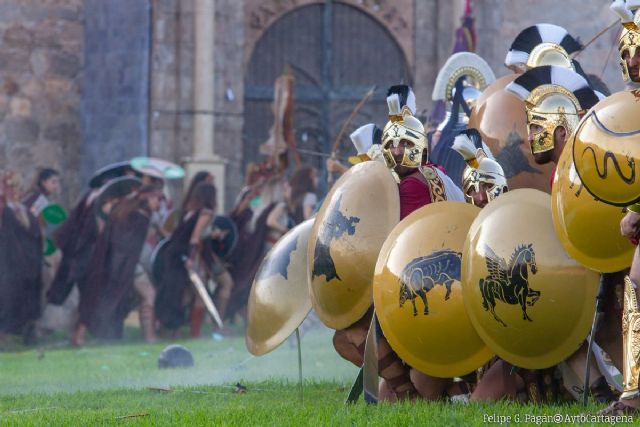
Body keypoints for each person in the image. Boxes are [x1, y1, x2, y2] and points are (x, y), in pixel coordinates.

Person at [75, 185, 164, 343]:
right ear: (147, 197)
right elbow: (129, 245)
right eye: (158, 198)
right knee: (148, 294)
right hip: (125, 265)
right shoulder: (139, 216)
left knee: (101, 298)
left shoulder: (125, 210)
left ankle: (80, 335)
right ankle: (150, 337)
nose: (159, 202)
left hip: (111, 262)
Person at [155, 182, 233, 337]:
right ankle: (194, 332)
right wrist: (191, 259)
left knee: (186, 294)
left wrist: (211, 235)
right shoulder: (206, 213)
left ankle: (171, 329)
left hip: (176, 254)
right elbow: (195, 238)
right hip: (190, 256)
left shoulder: (191, 211)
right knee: (198, 294)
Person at [0, 171, 43, 344]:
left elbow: (35, 235)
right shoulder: (4, 210)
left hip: (26, 262)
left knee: (27, 296)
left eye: (11, 186)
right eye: (5, 185)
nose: (7, 189)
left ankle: (27, 332)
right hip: (6, 261)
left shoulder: (24, 210)